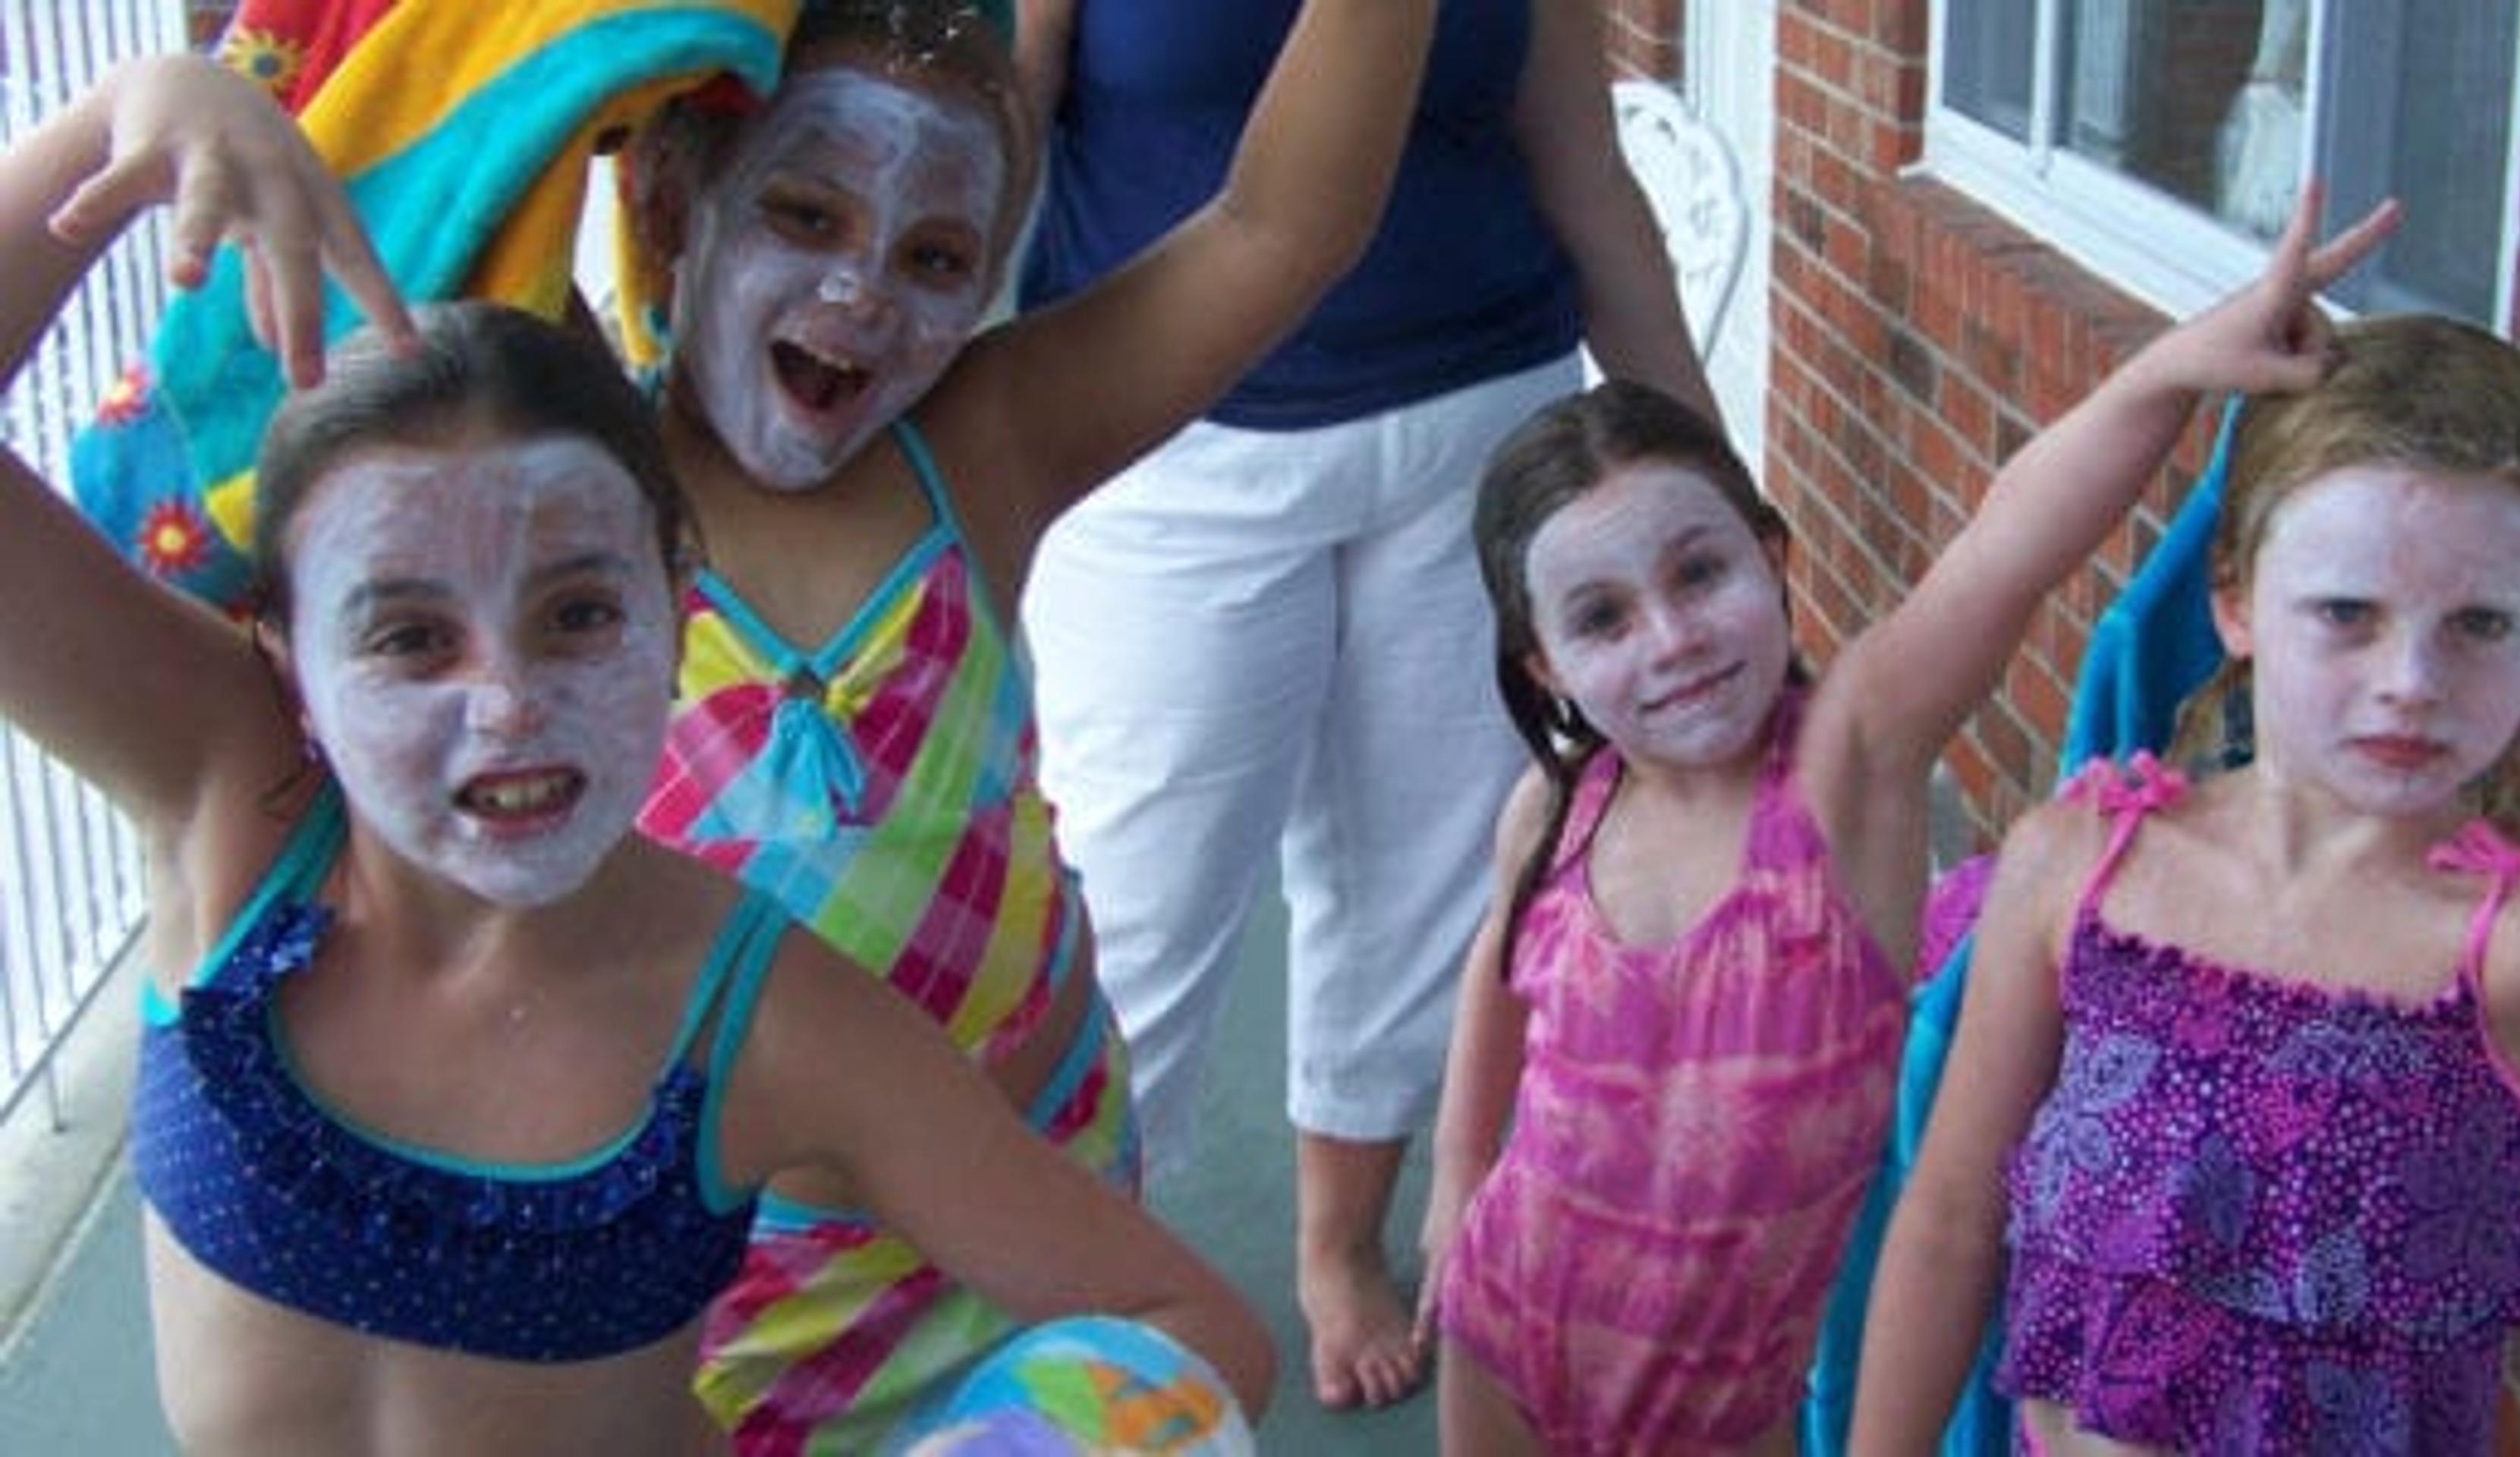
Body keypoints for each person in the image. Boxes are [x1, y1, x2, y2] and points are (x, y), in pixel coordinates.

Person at [0, 55, 1273, 1454]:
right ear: (287, 649)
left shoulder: (760, 1008)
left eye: (579, 615)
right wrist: (116, 127)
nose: (507, 702)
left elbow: (1185, 1319)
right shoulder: (222, 806)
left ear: (678, 616)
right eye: (413, 639)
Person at [1415, 194, 2403, 1455]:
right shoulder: (1556, 809)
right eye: (1602, 620)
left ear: (1773, 559)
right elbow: (1494, 983)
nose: (1669, 641)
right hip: (1506, 1326)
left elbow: (2010, 544)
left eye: (1700, 574)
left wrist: (2179, 366)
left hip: (1725, 1403)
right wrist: (1455, 1175)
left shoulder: (1845, 769)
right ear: (1545, 666)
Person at [1845, 312, 2520, 1452]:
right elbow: (1952, 1219)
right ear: (2238, 604)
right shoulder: (2080, 866)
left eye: (2480, 626)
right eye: (2348, 613)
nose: (2412, 681)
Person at [610, 0, 1439, 1446]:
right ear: (674, 200)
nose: (865, 293)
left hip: (1046, 1224)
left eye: (935, 257)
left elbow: (1279, 231)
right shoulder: (566, 497)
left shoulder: (982, 443)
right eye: (804, 212)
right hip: (736, 1303)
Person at [1011, 0, 1716, 1408]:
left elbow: (1584, 175)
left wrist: (1720, 493)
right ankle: (1063, 1294)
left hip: (1478, 428)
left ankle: (1338, 1246)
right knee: (1136, 902)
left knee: (1421, 884)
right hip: (1171, 450)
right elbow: (991, 135)